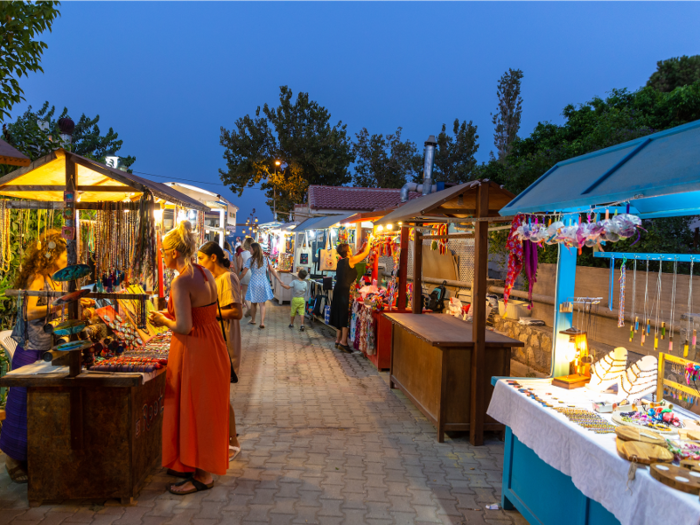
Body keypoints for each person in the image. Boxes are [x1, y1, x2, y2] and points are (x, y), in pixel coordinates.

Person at [0, 230, 90, 483]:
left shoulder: (53, 277)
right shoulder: (38, 278)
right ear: (53, 254)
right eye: (64, 254)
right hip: (31, 349)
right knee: (22, 405)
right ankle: (14, 460)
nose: (66, 260)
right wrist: (58, 304)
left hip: (47, 347)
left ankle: (32, 457)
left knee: (39, 406)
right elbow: (29, 313)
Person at [149, 221, 230, 495]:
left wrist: (162, 319)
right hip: (213, 345)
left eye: (163, 251)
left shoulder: (180, 281)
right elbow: (200, 314)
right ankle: (195, 467)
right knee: (205, 409)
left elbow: (184, 326)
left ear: (173, 252)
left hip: (195, 349)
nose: (161, 254)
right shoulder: (204, 272)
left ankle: (202, 476)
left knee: (196, 410)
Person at [196, 241, 243, 462]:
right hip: (215, 341)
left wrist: (206, 312)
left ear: (213, 258)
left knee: (222, 395)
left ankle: (232, 441)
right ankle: (223, 437)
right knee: (217, 394)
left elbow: (236, 311)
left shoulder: (227, 278)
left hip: (225, 343)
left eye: (202, 259)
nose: (199, 263)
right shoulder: (214, 279)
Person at [330, 240, 373, 353]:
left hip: (338, 290)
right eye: (350, 248)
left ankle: (338, 340)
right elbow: (365, 254)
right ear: (348, 251)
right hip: (346, 291)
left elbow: (357, 255)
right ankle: (344, 342)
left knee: (340, 314)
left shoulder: (341, 261)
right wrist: (369, 241)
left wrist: (362, 248)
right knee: (345, 315)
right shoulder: (350, 260)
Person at [239, 242, 274, 329]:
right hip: (263, 282)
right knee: (262, 304)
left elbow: (244, 272)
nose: (249, 250)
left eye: (250, 248)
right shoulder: (266, 259)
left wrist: (237, 279)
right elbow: (272, 270)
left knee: (253, 303)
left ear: (254, 250)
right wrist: (280, 280)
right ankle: (262, 322)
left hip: (254, 282)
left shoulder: (250, 260)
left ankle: (253, 320)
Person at [238, 238, 252, 316]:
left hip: (245, 273)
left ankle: (248, 307)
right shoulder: (254, 253)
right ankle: (250, 308)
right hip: (253, 273)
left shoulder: (242, 254)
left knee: (244, 292)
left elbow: (240, 267)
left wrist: (237, 275)